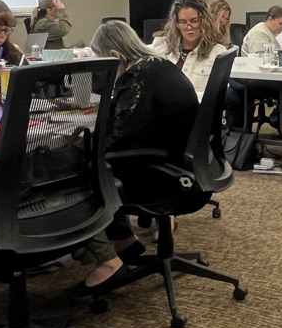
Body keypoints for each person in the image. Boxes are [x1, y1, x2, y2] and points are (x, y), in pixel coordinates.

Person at [73, 21, 200, 295]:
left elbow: (119, 136)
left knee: (81, 166)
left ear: (114, 55)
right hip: (181, 165)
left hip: (158, 175)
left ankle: (108, 262)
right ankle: (124, 240)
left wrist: (81, 141)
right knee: (98, 158)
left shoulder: (136, 76)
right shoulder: (159, 65)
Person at [149, 0, 226, 99]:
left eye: (194, 21)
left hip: (196, 111)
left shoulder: (218, 53)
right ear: (176, 23)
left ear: (204, 20)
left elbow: (219, 95)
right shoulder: (161, 45)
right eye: (183, 22)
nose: (189, 27)